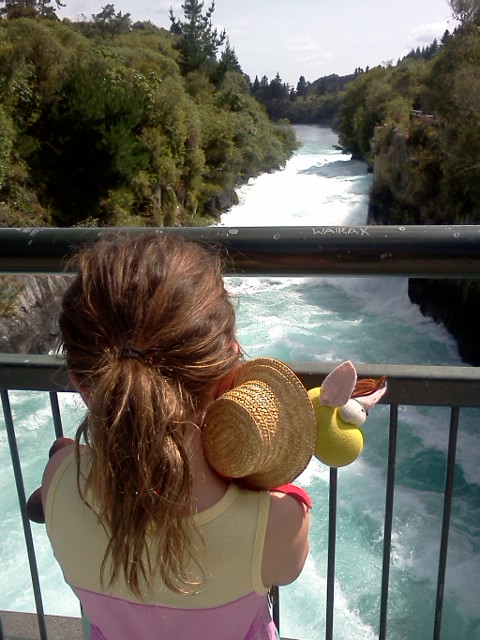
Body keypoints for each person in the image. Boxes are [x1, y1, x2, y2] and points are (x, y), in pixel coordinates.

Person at [40, 233, 311, 640]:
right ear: (228, 371)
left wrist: (67, 456)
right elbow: (286, 563)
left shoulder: (58, 482)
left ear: (82, 385)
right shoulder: (278, 523)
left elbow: (65, 468)